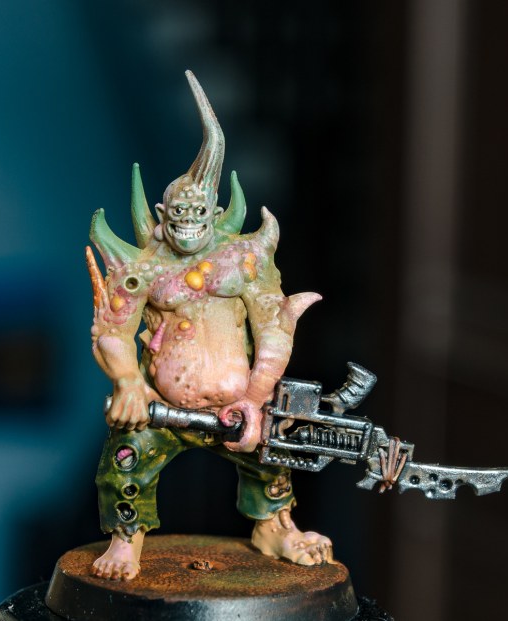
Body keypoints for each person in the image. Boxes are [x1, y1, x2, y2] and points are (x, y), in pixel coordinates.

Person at [86, 71, 332, 580]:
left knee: (271, 454)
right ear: (163, 213)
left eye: (198, 210)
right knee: (126, 458)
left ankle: (275, 525)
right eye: (179, 211)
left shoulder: (242, 259)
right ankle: (126, 539)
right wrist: (128, 381)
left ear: (215, 211)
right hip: (162, 407)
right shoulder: (145, 269)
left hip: (238, 405)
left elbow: (273, 325)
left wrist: (258, 395)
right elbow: (113, 330)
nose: (189, 218)